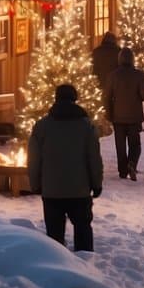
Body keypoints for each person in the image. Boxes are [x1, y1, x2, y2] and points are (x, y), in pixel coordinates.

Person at [27, 84, 103, 252]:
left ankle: (58, 267)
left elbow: (34, 159)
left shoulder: (42, 126)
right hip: (80, 190)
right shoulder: (86, 126)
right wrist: (96, 183)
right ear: (75, 99)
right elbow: (94, 158)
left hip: (52, 190)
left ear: (56, 99)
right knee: (83, 231)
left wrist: (35, 184)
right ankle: (84, 267)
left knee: (54, 237)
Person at [104, 46, 144, 181]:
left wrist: (109, 113)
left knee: (120, 145)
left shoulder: (112, 75)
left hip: (117, 116)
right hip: (134, 115)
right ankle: (132, 163)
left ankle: (122, 171)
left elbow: (106, 96)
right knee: (135, 144)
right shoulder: (139, 75)